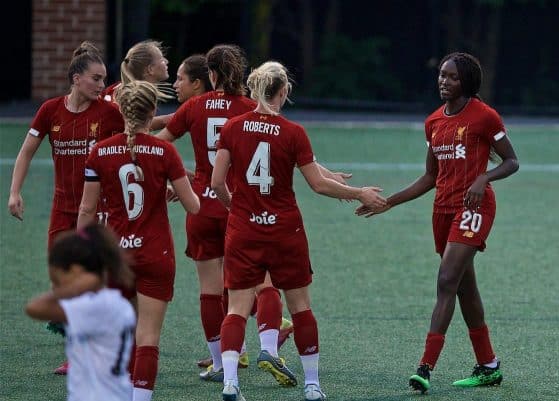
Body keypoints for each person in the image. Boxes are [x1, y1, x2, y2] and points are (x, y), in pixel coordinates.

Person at [211, 60, 387, 401]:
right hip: (284, 231)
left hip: (244, 230)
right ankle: (312, 385)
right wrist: (358, 193)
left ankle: (230, 383)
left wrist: (238, 210)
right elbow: (318, 184)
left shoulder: (232, 128)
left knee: (236, 308)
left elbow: (218, 182)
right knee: (301, 307)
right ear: (284, 92)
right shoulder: (293, 132)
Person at [356, 52, 519, 393]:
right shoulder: (433, 122)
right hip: (442, 211)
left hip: (474, 208)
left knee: (446, 279)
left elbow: (512, 161)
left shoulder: (485, 116)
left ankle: (424, 368)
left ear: (467, 83)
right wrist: (389, 202)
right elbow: (430, 176)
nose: (444, 81)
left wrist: (483, 179)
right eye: (442, 75)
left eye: (452, 77)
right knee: (463, 287)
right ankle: (489, 366)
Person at [156, 44, 301, 385]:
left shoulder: (194, 106)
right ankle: (270, 344)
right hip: (240, 208)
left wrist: (181, 181)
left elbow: (160, 146)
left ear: (211, 75)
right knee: (263, 283)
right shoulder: (250, 107)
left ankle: (222, 363)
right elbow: (288, 147)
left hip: (203, 206)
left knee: (210, 290)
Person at [77, 80, 200, 401]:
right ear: (153, 112)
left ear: (120, 110)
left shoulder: (100, 151)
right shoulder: (165, 150)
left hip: (116, 256)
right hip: (156, 253)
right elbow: (194, 206)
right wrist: (168, 189)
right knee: (148, 338)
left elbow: (87, 209)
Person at [8, 40, 125, 374]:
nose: (102, 86)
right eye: (96, 78)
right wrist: (14, 192)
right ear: (76, 78)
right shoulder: (50, 110)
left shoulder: (109, 113)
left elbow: (139, 134)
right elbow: (27, 150)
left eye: (104, 79)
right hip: (62, 209)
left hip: (98, 211)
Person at [25, 223, 136, 401]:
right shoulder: (119, 303)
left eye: (59, 277)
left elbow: (34, 308)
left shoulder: (90, 308)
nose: (57, 285)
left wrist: (73, 289)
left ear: (77, 271)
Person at [102, 40, 173, 130]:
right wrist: (184, 114)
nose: (167, 61)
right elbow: (133, 126)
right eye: (162, 59)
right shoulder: (135, 94)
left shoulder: (120, 87)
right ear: (150, 69)